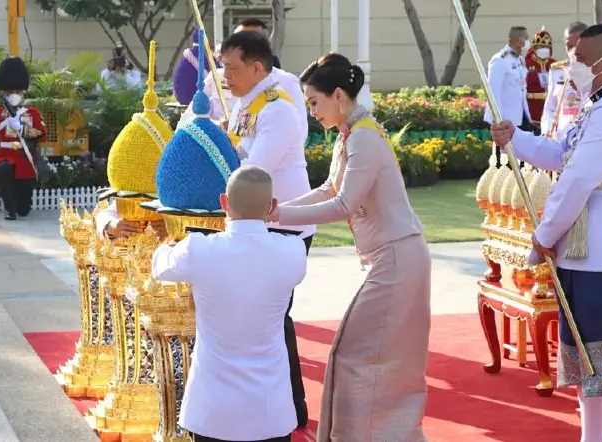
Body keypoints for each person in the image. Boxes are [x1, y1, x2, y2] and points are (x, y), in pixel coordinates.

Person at [490, 23, 602, 442]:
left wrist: (544, 235)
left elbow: (578, 178)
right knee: (585, 362)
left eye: (580, 59)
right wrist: (516, 139)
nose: (571, 66)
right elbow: (563, 154)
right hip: (588, 251)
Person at [267, 53, 430, 442]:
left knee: (356, 355)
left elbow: (342, 204)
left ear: (337, 95)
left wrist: (275, 216)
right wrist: (274, 212)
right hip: (390, 258)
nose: (311, 112)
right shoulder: (352, 135)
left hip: (397, 258)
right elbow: (330, 190)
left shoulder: (364, 137)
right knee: (364, 356)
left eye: (313, 102)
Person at [151, 165, 307, 442]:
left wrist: (166, 243)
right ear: (272, 206)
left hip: (213, 412)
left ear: (224, 202)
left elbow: (159, 267)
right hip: (270, 411)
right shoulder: (293, 252)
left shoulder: (198, 249)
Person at [219, 29, 314, 428]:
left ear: (258, 67)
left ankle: (292, 408)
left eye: (232, 67)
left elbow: (251, 173)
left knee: (274, 320)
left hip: (283, 224)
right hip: (261, 222)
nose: (226, 75)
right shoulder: (248, 101)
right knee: (261, 320)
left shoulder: (276, 109)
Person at [179, 18, 303, 126]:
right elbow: (187, 121)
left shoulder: (285, 82)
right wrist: (218, 128)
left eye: (249, 43)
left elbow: (297, 131)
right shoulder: (216, 78)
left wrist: (236, 128)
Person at [0, 57, 47, 220]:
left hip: (24, 159)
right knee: (3, 170)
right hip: (5, 156)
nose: (14, 95)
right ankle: (9, 209)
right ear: (3, 92)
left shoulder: (32, 113)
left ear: (23, 92)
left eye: (17, 91)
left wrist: (22, 129)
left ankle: (18, 206)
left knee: (24, 209)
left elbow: (42, 134)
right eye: (10, 92)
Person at [486, 26, 532, 166]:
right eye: (526, 38)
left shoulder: (519, 60)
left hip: (520, 118)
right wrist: (497, 120)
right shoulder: (500, 60)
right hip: (505, 121)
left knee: (521, 163)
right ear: (518, 40)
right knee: (506, 165)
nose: (528, 42)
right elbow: (493, 93)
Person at [541, 21, 587, 140]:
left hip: (587, 139)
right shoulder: (558, 71)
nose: (573, 50)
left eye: (576, 45)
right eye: (569, 46)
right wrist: (547, 130)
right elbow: (550, 108)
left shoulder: (597, 71)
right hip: (562, 140)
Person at [524, 27, 555, 128]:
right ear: (534, 48)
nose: (543, 49)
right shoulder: (526, 64)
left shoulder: (554, 64)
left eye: (546, 47)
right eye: (540, 46)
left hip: (551, 111)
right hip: (532, 109)